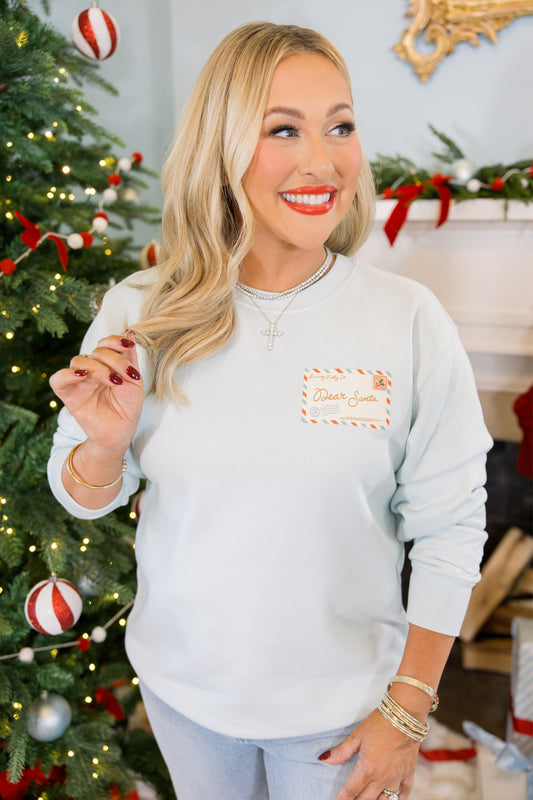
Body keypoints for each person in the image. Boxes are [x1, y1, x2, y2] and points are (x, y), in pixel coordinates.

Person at [48, 21, 492, 800]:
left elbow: (450, 526)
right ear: (219, 148)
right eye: (282, 129)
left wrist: (409, 706)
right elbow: (80, 495)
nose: (322, 161)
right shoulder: (140, 311)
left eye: (339, 126)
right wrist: (105, 446)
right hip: (185, 698)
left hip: (347, 713)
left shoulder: (406, 320)